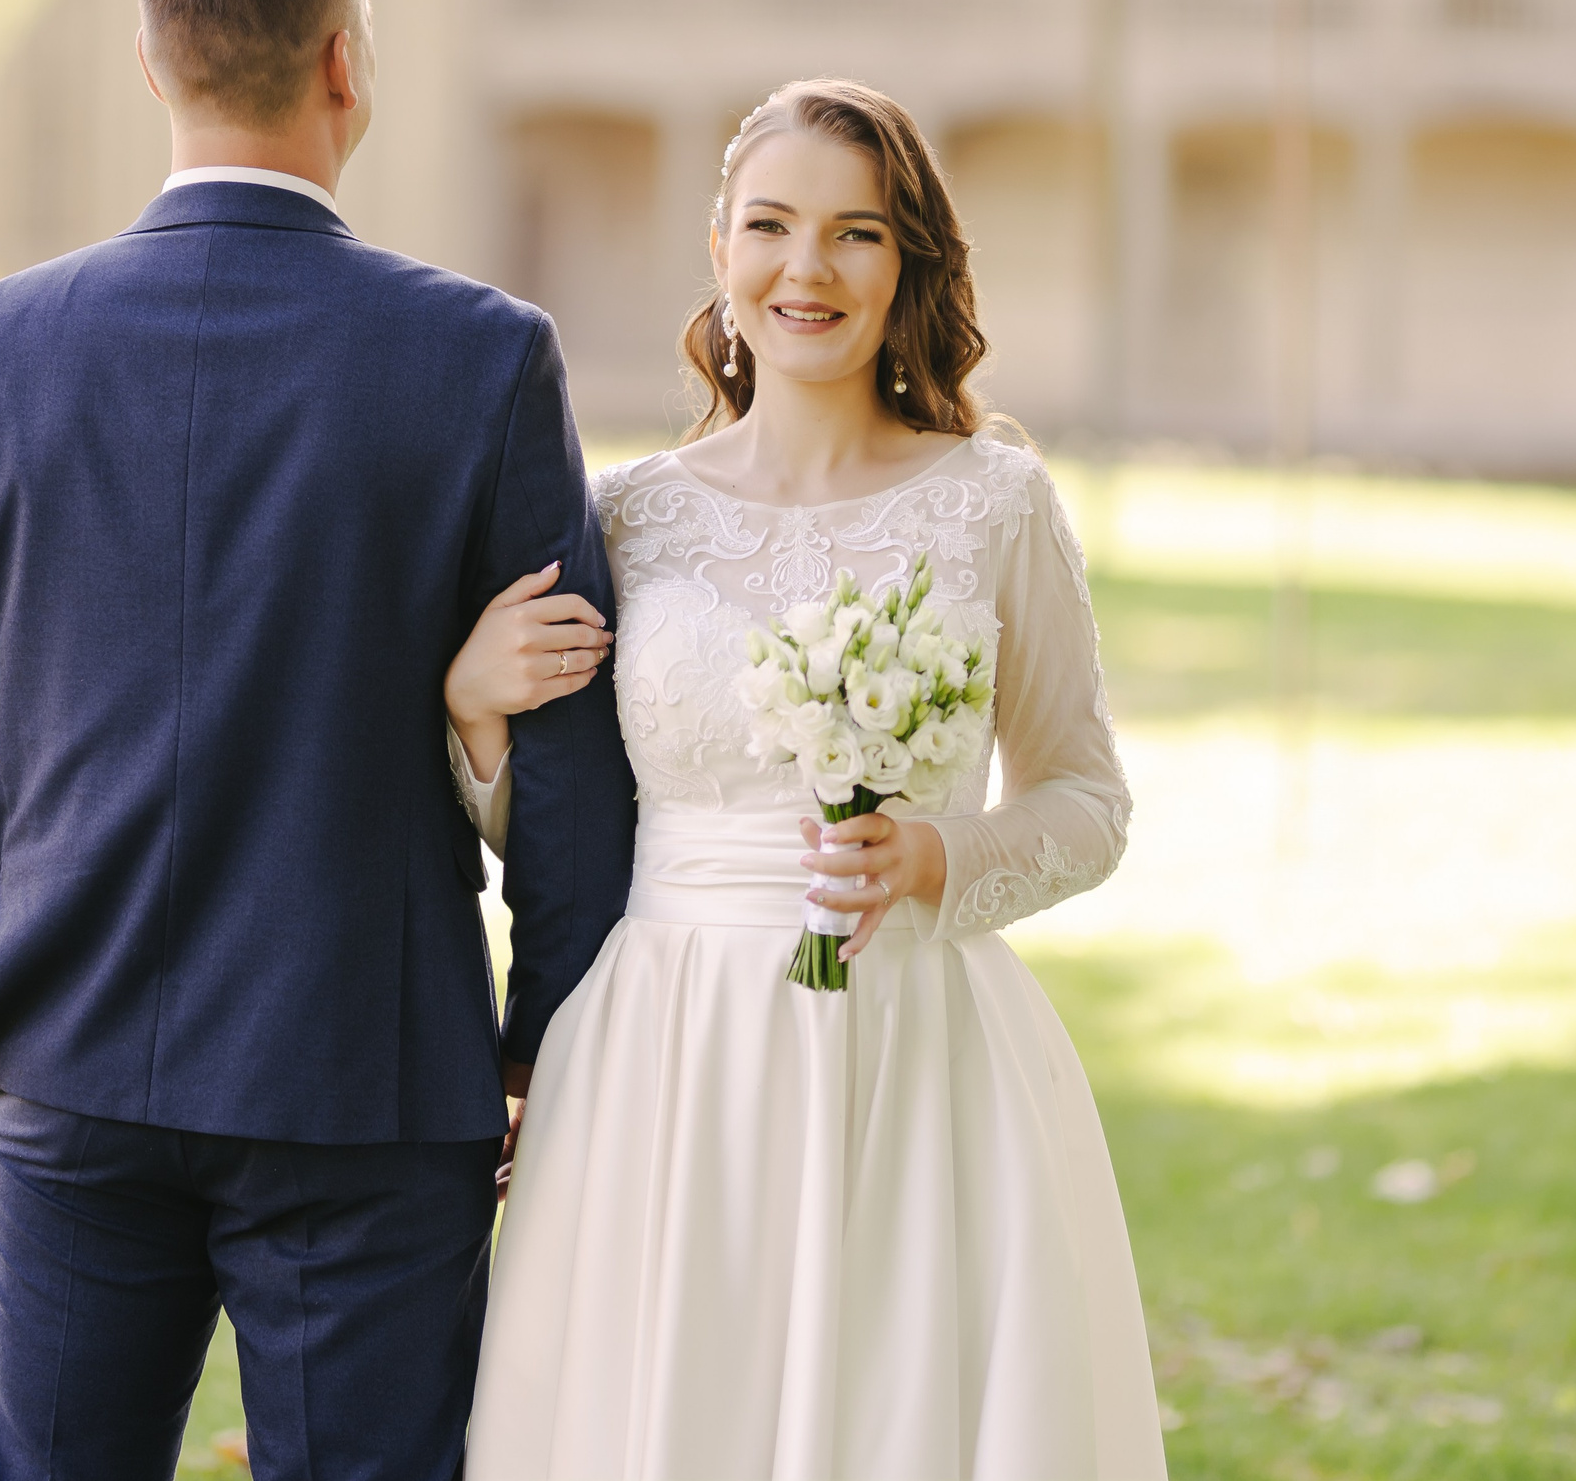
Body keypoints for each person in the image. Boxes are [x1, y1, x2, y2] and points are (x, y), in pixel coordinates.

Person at [0, 0, 635, 1480]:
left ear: (156, 71)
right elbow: (566, 737)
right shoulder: (485, 356)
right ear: (348, 65)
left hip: (64, 1052)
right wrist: (539, 1036)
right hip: (372, 1070)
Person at [445, 80, 1168, 1479]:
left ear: (909, 265)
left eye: (855, 234)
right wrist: (473, 708)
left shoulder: (993, 502)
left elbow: (1089, 799)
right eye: (771, 226)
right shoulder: (631, 520)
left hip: (912, 1044)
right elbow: (567, 821)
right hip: (665, 1052)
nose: (808, 269)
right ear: (720, 249)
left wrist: (942, 861)